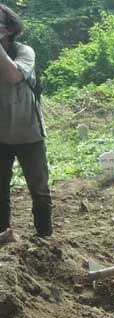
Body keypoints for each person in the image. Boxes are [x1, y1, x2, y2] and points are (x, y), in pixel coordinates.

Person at [0, 3, 51, 239]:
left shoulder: (24, 51)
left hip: (29, 134)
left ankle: (45, 237)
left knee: (39, 189)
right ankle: (3, 235)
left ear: (9, 29)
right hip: (1, 136)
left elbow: (13, 76)